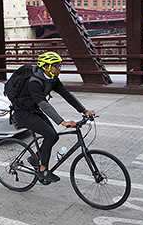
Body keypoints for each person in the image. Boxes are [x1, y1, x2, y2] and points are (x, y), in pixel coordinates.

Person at [12, 51, 95, 183]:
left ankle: (35, 158)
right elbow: (43, 104)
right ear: (46, 67)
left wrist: (84, 111)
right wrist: (62, 122)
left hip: (33, 110)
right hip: (22, 113)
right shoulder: (34, 82)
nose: (59, 68)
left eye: (60, 65)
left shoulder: (52, 79)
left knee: (53, 136)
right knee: (50, 135)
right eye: (56, 65)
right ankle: (43, 170)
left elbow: (66, 94)